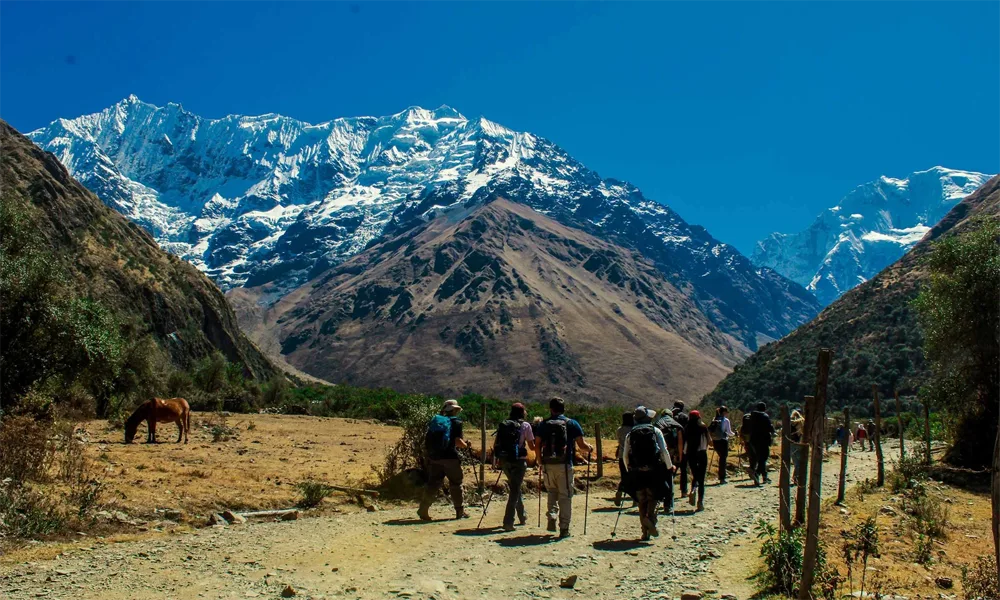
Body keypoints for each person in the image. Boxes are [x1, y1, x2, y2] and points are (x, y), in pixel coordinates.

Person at [536, 397, 593, 539]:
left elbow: (537, 444)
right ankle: (564, 528)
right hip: (564, 464)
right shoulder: (572, 423)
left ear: (551, 409)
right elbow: (582, 445)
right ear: (563, 409)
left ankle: (552, 515)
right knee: (565, 496)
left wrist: (540, 461)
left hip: (548, 464)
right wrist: (590, 448)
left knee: (551, 492)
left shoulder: (543, 424)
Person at [623, 406, 674, 540]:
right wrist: (669, 466)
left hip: (638, 471)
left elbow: (625, 455)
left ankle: (644, 532)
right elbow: (664, 450)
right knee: (655, 497)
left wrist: (629, 469)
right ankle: (650, 519)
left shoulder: (631, 434)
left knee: (642, 500)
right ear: (647, 418)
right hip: (654, 470)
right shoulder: (655, 431)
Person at [418, 399, 470, 521]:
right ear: (455, 410)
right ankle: (459, 511)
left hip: (435, 457)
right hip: (450, 458)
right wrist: (466, 446)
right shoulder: (456, 422)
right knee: (456, 483)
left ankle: (423, 509)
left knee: (433, 484)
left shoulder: (436, 421)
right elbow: (458, 442)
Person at [494, 403, 537, 531]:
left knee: (515, 487)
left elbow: (497, 443)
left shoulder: (504, 424)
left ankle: (522, 516)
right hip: (519, 461)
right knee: (514, 490)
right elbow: (532, 446)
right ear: (522, 412)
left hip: (505, 460)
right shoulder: (526, 425)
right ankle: (508, 522)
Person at [684, 410, 710, 511]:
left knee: (695, 475)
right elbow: (709, 441)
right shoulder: (703, 427)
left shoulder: (687, 428)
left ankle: (693, 489)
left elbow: (685, 443)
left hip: (691, 454)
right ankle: (700, 502)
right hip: (702, 453)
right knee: (701, 479)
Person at [748, 402, 775, 485]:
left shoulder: (752, 416)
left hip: (753, 440)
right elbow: (770, 428)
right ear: (764, 408)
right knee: (763, 458)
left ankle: (764, 477)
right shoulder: (765, 416)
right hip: (763, 440)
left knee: (760, 458)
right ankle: (757, 473)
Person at [708, 406, 734, 484]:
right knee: (723, 459)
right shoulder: (726, 420)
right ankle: (722, 477)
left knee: (721, 457)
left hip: (715, 441)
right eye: (726, 412)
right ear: (724, 412)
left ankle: (722, 474)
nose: (727, 413)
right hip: (723, 441)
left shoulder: (714, 419)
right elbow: (729, 432)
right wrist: (734, 434)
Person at [614, 411, 635, 507]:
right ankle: (635, 499)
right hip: (631, 455)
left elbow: (619, 442)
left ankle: (619, 491)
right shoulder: (633, 430)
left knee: (624, 476)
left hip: (621, 455)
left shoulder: (619, 430)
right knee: (634, 476)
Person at [789, 409, 806, 486]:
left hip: (793, 443)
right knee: (800, 462)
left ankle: (795, 478)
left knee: (796, 463)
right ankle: (797, 478)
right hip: (801, 443)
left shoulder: (790, 423)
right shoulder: (803, 422)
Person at [740, 412, 755, 480]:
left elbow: (741, 435)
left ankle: (752, 470)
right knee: (755, 456)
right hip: (753, 441)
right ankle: (753, 471)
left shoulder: (743, 427)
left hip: (747, 442)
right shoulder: (753, 425)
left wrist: (742, 441)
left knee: (751, 456)